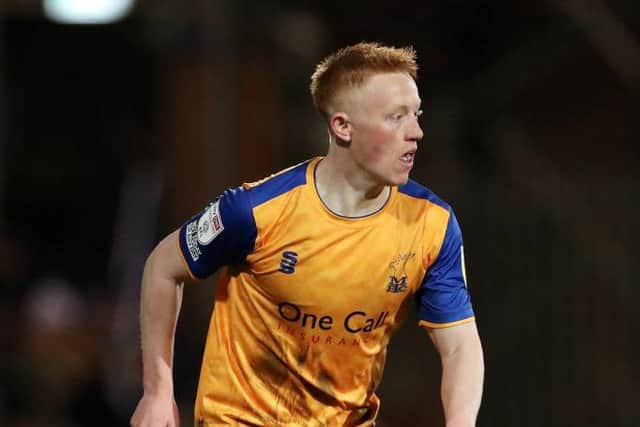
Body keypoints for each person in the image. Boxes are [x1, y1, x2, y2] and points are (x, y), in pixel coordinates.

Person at [131, 42, 484, 427]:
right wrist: (157, 391)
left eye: (416, 115)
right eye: (395, 118)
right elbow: (162, 267)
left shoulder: (432, 224)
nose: (416, 132)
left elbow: (460, 345)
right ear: (342, 127)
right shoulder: (254, 212)